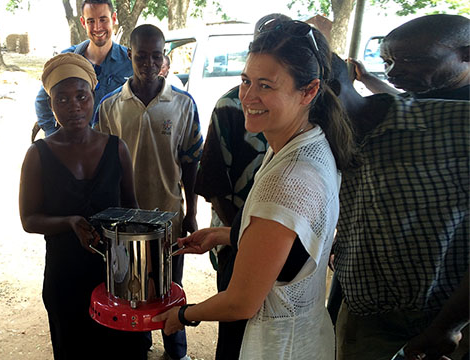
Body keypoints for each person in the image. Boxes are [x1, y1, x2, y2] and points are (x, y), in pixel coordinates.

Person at [153, 19, 358, 359]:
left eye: (266, 86)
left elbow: (241, 302)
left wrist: (182, 315)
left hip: (278, 346)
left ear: (308, 91)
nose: (247, 97)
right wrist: (226, 236)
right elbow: (291, 247)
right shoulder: (309, 140)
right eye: (246, 80)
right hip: (304, 335)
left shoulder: (289, 177)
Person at [332, 31, 470, 360]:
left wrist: (447, 326)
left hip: (442, 314)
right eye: (388, 62)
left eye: (412, 60)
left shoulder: (460, 124)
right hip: (368, 305)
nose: (394, 72)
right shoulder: (391, 115)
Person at [19, 52, 149, 360]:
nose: (74, 106)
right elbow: (29, 219)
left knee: (125, 352)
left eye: (81, 96)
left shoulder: (117, 148)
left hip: (118, 276)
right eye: (62, 99)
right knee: (74, 349)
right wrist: (69, 222)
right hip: (66, 277)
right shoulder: (38, 155)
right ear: (50, 105)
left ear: (93, 97)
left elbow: (131, 207)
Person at [95, 24, 203, 360]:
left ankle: (176, 351)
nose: (149, 63)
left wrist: (191, 213)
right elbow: (103, 168)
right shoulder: (111, 107)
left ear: (164, 57)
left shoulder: (183, 104)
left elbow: (191, 164)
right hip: (125, 223)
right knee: (132, 290)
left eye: (157, 56)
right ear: (130, 55)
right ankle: (138, 348)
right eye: (141, 56)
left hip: (168, 217)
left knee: (169, 288)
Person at [193, 13, 290, 360]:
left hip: (278, 241)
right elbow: (215, 184)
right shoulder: (229, 107)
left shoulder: (307, 137)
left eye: (266, 84)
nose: (253, 93)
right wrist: (239, 234)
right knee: (234, 329)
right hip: (235, 234)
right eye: (248, 81)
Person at [34, 0, 132, 136]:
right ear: (83, 22)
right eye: (91, 21)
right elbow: (42, 100)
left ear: (114, 19)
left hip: (114, 146)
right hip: (75, 149)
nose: (97, 27)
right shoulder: (67, 60)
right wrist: (53, 134)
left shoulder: (131, 62)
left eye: (103, 19)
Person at [348, 14, 469, 100]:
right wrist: (366, 78)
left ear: (467, 55)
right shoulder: (430, 94)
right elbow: (405, 102)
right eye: (388, 62)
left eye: (412, 60)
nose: (391, 73)